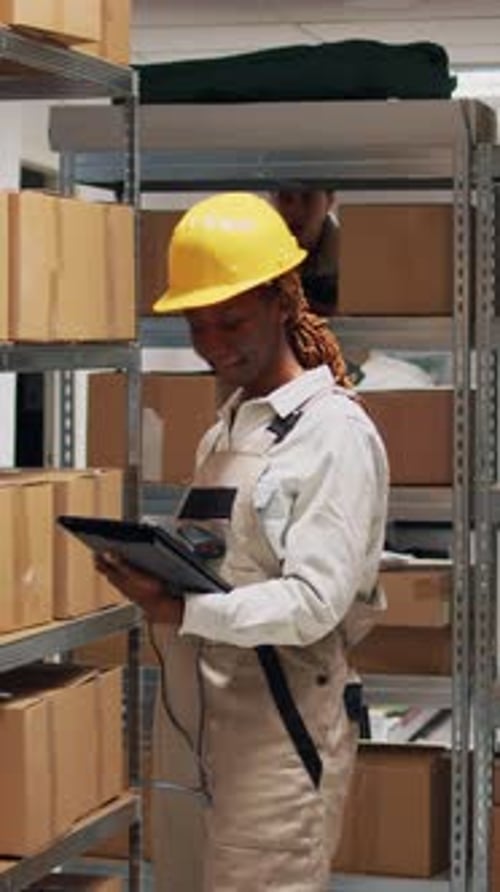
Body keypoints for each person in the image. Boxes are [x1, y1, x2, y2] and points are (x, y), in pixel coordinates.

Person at [96, 192, 389, 892]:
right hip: (209, 728)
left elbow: (314, 600)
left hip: (282, 736)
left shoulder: (334, 435)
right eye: (197, 326)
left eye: (231, 320)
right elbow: (231, 564)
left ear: (283, 302)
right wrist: (162, 574)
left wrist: (184, 611)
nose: (214, 344)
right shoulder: (227, 430)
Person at [271, 188, 339, 316]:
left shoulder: (355, 261)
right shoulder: (258, 258)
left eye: (308, 198)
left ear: (329, 200)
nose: (296, 210)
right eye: (286, 197)